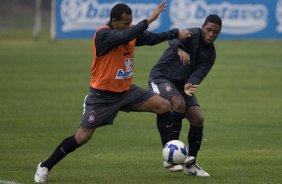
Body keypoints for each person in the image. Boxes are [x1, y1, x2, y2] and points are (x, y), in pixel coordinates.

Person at [34, 1, 192, 183]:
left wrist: (174, 34)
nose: (129, 26)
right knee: (82, 137)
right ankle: (45, 165)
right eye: (125, 23)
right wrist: (149, 20)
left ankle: (168, 155)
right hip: (102, 96)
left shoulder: (129, 32)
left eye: (130, 22)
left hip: (126, 91)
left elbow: (152, 39)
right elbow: (125, 37)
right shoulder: (103, 35)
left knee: (164, 106)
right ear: (114, 20)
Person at [148, 14, 222, 177]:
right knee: (179, 104)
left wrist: (190, 83)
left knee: (198, 118)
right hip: (161, 77)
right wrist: (180, 49)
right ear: (202, 27)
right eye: (209, 30)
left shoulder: (211, 54)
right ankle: (170, 158)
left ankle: (191, 162)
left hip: (182, 85)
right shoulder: (191, 34)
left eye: (215, 32)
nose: (211, 34)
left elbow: (200, 73)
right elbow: (174, 38)